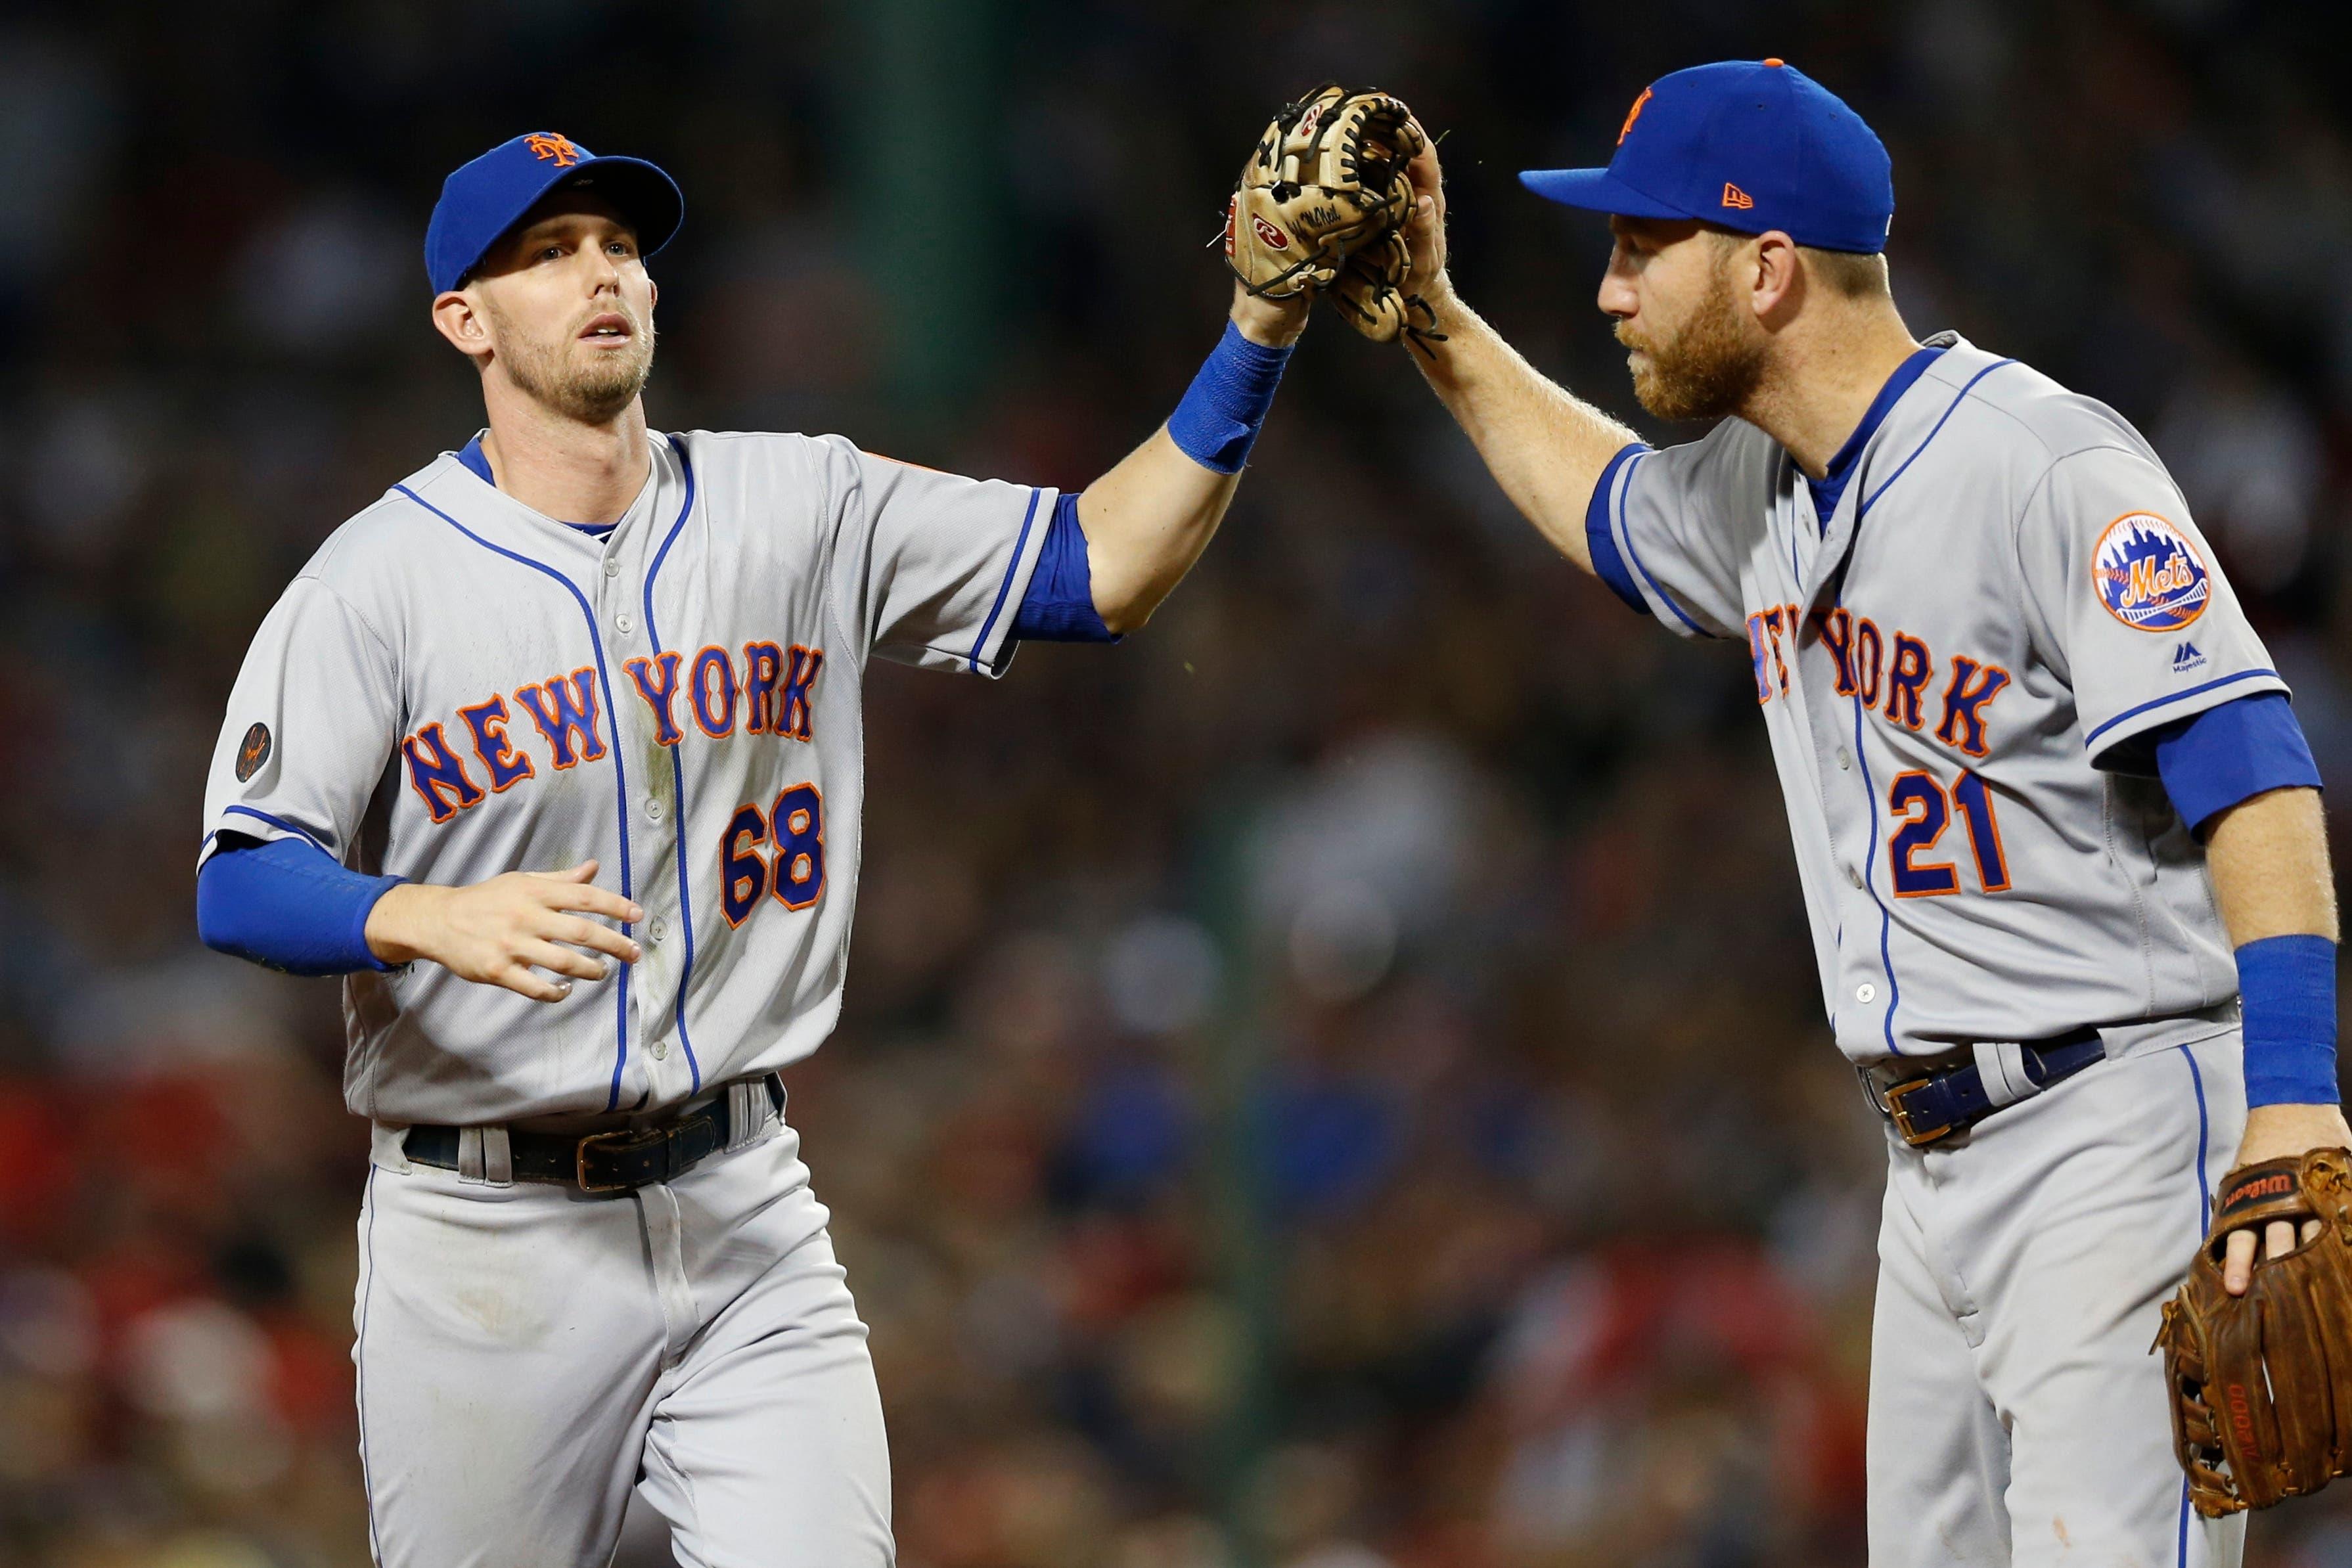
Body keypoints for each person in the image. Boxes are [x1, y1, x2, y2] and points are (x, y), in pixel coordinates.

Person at [194, 129, 1307, 1567]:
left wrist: (1258, 328)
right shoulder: (377, 582)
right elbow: (240, 877)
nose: (598, 273)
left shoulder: (798, 502)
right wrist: (420, 914)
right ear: (464, 322)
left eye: (615, 245)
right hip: (484, 1247)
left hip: (741, 1205)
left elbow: (1102, 566)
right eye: (545, 255)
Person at [1391, 60, 2338, 1567]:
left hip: (2115, 1130)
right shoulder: (1759, 484)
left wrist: (2296, 1093)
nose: (1611, 293)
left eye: (1643, 247)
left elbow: (2248, 762)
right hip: (1920, 1172)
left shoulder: (2037, 462)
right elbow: (1607, 514)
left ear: (1766, 267)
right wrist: (1436, 327)